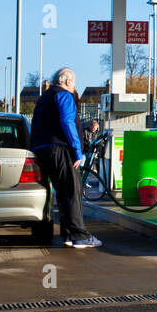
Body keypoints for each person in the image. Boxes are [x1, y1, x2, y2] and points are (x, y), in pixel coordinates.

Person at [30, 67, 100, 248]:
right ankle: (79, 236)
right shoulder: (63, 95)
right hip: (59, 150)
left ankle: (68, 233)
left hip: (41, 150)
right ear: (68, 82)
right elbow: (67, 122)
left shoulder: (44, 98)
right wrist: (77, 151)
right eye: (74, 83)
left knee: (61, 192)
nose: (74, 87)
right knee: (72, 191)